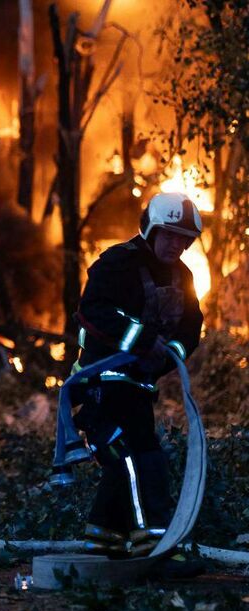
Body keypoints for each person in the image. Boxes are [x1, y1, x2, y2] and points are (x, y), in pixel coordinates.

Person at [72, 192, 204, 574]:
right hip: (102, 383)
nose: (176, 245)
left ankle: (104, 538)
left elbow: (190, 328)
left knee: (135, 458)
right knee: (135, 460)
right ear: (150, 228)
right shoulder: (118, 264)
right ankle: (155, 545)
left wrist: (167, 354)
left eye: (184, 239)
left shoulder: (184, 277)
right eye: (169, 235)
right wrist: (143, 340)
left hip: (139, 387)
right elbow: (93, 311)